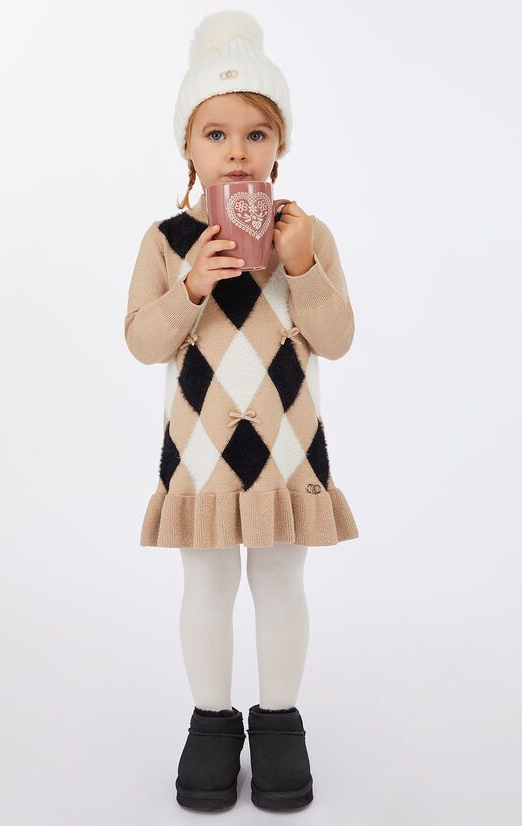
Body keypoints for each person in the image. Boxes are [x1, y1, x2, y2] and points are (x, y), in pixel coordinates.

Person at [123, 9, 359, 812]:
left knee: (282, 578)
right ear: (188, 149)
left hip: (288, 448)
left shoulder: (308, 235)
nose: (236, 151)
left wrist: (302, 265)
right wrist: (191, 285)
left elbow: (337, 338)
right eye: (216, 133)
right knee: (208, 580)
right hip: (200, 451)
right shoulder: (165, 240)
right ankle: (212, 723)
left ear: (279, 146)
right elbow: (142, 342)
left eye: (256, 134)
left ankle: (281, 721)